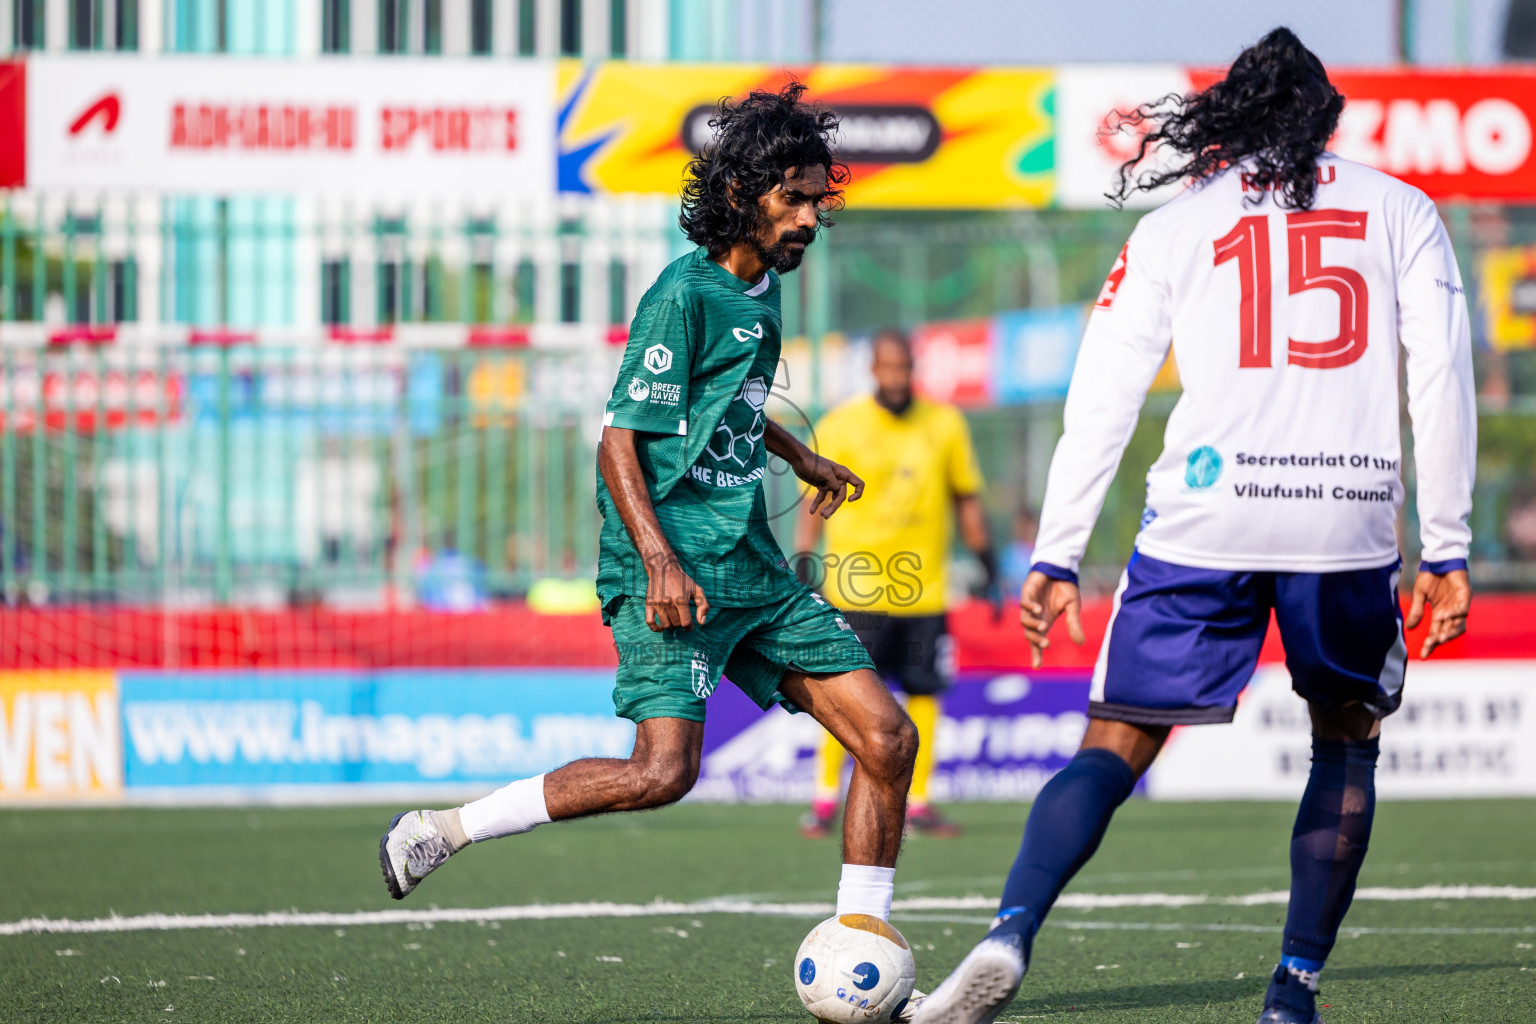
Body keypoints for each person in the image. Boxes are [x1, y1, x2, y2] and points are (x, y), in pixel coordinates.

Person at [916, 29, 1475, 1024]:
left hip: (1205, 518)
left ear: (1231, 120)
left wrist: (1055, 550)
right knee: (1345, 745)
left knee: (1115, 741)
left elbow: (1105, 396)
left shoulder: (1178, 225)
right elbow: (1440, 377)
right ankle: (1292, 990)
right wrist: (1448, 543)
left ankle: (1010, 926)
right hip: (1344, 522)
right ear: (1327, 118)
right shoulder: (1404, 210)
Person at [380, 83, 921, 940]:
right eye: (795, 199)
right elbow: (618, 441)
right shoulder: (683, 294)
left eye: (819, 201)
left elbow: (731, 405)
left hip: (752, 572)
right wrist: (661, 561)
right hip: (669, 568)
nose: (812, 220)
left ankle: (863, 945)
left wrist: (800, 453)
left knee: (887, 742)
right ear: (742, 195)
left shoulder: (764, 293)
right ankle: (442, 831)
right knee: (662, 773)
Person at [797, 328, 999, 839]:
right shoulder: (841, 424)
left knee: (925, 691)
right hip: (855, 586)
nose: (896, 377)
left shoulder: (945, 422)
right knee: (848, 694)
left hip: (925, 589)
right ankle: (825, 797)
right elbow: (813, 502)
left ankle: (920, 800)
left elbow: (966, 498)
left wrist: (988, 565)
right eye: (887, 367)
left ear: (914, 367)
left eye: (904, 367)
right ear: (873, 370)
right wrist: (804, 564)